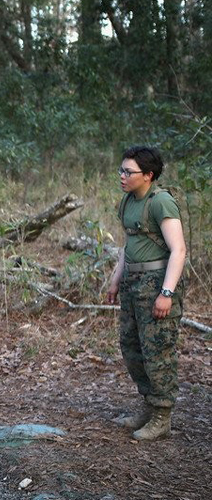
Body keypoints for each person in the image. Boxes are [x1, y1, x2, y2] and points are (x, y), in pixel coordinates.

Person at [105, 146, 186, 441]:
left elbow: (178, 250)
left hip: (157, 282)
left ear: (148, 176)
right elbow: (128, 247)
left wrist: (166, 292)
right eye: (121, 170)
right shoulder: (128, 202)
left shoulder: (161, 202)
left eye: (129, 172)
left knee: (158, 350)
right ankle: (149, 406)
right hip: (133, 281)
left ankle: (162, 415)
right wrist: (115, 280)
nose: (122, 176)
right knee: (131, 346)